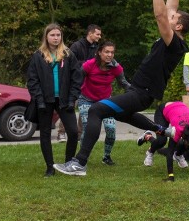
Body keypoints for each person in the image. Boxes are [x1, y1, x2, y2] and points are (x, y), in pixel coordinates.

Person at [54, 0, 189, 176]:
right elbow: (170, 7)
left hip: (142, 92)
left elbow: (159, 14)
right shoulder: (172, 39)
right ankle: (163, 130)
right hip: (141, 91)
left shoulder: (174, 42)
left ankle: (79, 163)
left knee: (97, 109)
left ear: (179, 25)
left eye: (172, 18)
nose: (168, 15)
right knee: (121, 114)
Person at [26, 23, 82, 177]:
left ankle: (68, 164)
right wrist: (39, 100)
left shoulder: (68, 54)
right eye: (53, 35)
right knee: (45, 134)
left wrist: (72, 99)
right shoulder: (38, 55)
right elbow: (32, 80)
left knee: (72, 132)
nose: (56, 38)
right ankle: (50, 167)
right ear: (46, 37)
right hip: (45, 100)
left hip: (65, 100)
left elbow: (77, 78)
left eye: (58, 35)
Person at [78, 41, 131, 166]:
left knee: (111, 130)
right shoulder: (89, 65)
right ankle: (81, 158)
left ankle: (106, 157)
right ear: (99, 52)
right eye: (107, 52)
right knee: (88, 129)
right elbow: (77, 81)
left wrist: (137, 94)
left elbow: (124, 84)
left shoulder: (116, 68)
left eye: (112, 52)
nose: (109, 55)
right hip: (86, 99)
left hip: (106, 101)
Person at [137, 101, 189, 181]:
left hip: (179, 109)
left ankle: (178, 155)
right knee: (162, 141)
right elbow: (169, 152)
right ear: (185, 137)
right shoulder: (178, 131)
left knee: (187, 145)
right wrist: (171, 176)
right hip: (163, 111)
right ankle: (150, 148)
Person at [55, 24, 102, 142]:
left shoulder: (96, 48)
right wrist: (86, 64)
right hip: (74, 82)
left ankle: (80, 134)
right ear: (90, 33)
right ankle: (61, 133)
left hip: (88, 83)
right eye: (97, 34)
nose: (99, 37)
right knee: (69, 107)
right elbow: (69, 62)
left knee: (84, 109)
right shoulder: (76, 46)